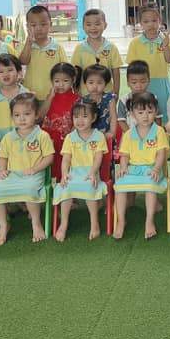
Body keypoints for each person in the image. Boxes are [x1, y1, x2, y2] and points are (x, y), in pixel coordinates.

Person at [0, 93, 55, 245]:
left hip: (33, 174)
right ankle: (4, 225)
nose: (22, 119)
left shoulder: (42, 136)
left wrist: (35, 169)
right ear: (12, 117)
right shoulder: (8, 137)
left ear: (36, 115)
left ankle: (36, 224)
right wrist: (2, 170)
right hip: (12, 174)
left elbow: (49, 158)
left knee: (29, 189)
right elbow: (3, 157)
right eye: (17, 115)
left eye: (27, 114)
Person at [113, 92, 170, 240]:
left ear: (155, 112)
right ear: (132, 114)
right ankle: (121, 220)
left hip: (152, 168)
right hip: (133, 169)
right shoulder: (128, 134)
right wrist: (123, 167)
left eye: (150, 112)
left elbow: (161, 154)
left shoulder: (159, 131)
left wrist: (156, 169)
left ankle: (149, 220)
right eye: (140, 112)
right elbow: (125, 155)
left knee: (150, 184)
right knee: (120, 184)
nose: (145, 116)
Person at [52, 100, 108, 241]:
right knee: (65, 188)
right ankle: (63, 224)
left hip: (91, 173)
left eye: (84, 116)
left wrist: (92, 172)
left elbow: (98, 158)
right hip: (74, 173)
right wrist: (64, 174)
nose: (80, 120)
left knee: (90, 186)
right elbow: (66, 159)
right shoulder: (70, 137)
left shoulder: (99, 136)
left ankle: (94, 223)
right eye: (76, 117)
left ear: (93, 118)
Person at [126, 4, 170, 122]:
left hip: (162, 83)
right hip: (142, 84)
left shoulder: (166, 40)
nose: (150, 24)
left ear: (160, 21)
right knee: (144, 115)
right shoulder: (135, 43)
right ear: (140, 24)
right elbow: (132, 67)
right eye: (146, 21)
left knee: (163, 115)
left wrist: (166, 46)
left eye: (154, 20)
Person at [38, 62, 81, 176]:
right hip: (48, 141)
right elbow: (40, 116)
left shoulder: (77, 99)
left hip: (66, 140)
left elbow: (78, 122)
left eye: (65, 81)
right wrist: (50, 98)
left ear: (73, 80)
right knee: (48, 168)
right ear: (52, 81)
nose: (61, 85)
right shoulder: (50, 97)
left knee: (64, 167)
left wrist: (70, 137)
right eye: (57, 81)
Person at [19, 4, 69, 102]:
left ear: (50, 25)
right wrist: (28, 43)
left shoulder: (57, 47)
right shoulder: (25, 46)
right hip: (30, 96)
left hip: (53, 95)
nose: (38, 28)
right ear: (27, 27)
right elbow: (23, 61)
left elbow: (65, 70)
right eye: (33, 25)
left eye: (43, 24)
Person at [71, 8, 122, 96]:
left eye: (97, 24)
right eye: (88, 24)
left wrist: (116, 93)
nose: (93, 28)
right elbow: (76, 72)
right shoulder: (79, 48)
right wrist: (76, 92)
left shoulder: (111, 48)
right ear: (83, 26)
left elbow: (116, 73)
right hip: (85, 95)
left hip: (106, 94)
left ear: (105, 25)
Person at [0, 54, 30, 142]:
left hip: (23, 140)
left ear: (19, 72)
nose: (5, 74)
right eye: (1, 72)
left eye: (10, 70)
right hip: (1, 140)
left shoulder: (26, 94)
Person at [116, 60, 162, 133]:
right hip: (131, 136)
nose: (139, 86)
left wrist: (154, 133)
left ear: (149, 80)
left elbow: (158, 118)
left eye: (143, 82)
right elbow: (121, 121)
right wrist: (131, 134)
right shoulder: (123, 100)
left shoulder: (153, 98)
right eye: (134, 82)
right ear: (128, 83)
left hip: (150, 136)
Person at [81, 64, 116, 144]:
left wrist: (112, 132)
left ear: (105, 84)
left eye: (99, 83)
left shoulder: (110, 98)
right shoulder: (83, 100)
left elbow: (113, 117)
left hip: (106, 135)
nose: (95, 86)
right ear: (85, 83)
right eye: (91, 82)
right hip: (88, 137)